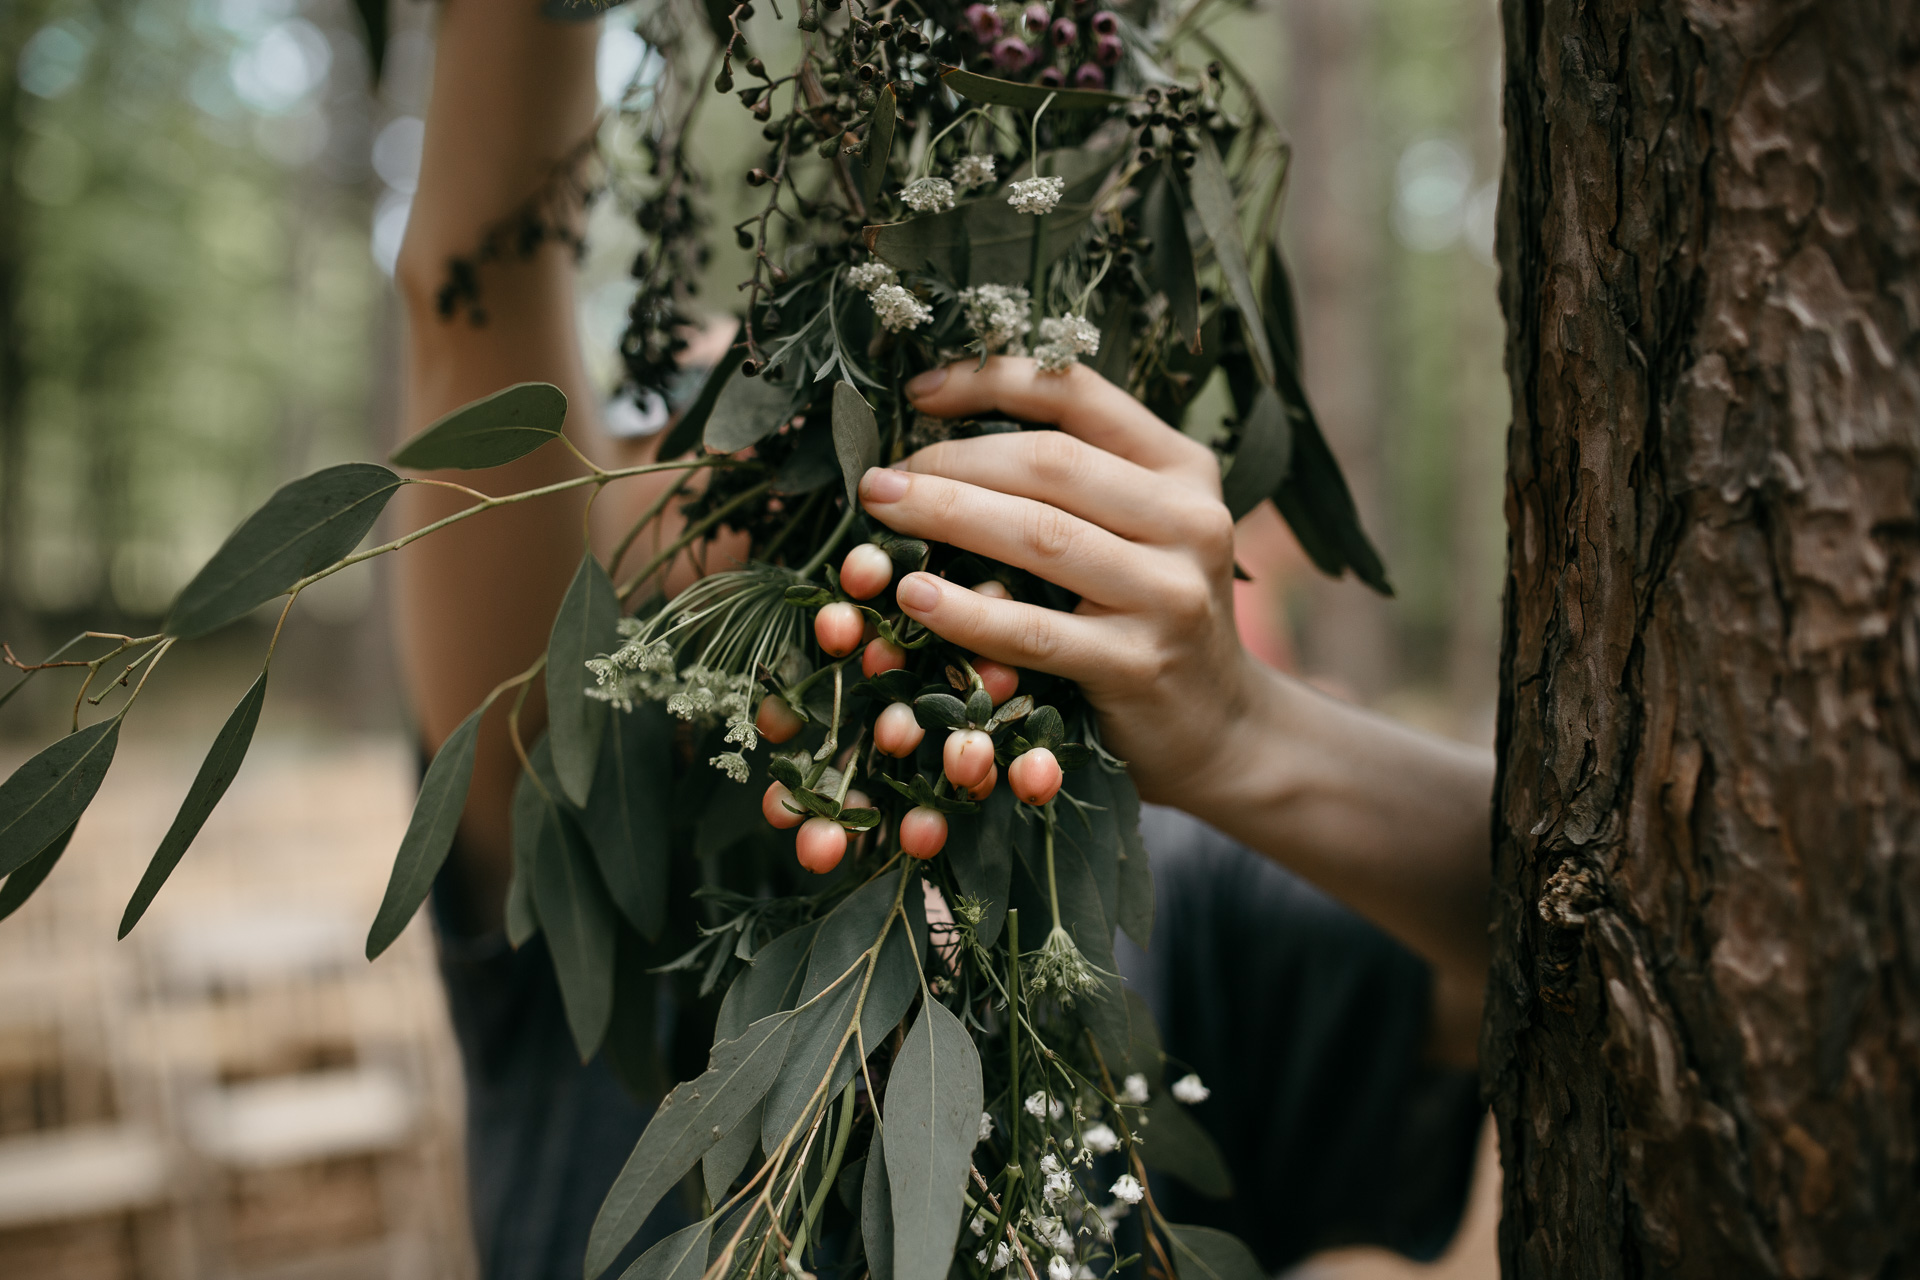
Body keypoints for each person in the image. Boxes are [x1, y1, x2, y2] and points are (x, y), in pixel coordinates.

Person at [391, 3, 1497, 1277]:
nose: (802, 414)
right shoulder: (585, 820)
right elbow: (468, 288)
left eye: (825, 379)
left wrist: (1247, 733)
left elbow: (1584, 918)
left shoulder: (1158, 892)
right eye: (682, 396)